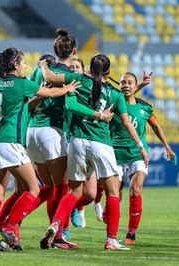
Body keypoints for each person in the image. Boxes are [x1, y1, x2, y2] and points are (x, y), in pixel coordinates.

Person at [39, 54, 149, 250]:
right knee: (113, 192)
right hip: (102, 143)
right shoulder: (114, 94)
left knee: (74, 191)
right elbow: (125, 121)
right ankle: (111, 240)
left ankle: (56, 225)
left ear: (89, 68)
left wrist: (43, 66)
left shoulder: (79, 80)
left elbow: (53, 82)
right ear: (108, 72)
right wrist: (141, 146)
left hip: (77, 141)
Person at [0, 47, 81, 251]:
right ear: (14, 65)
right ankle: (9, 228)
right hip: (10, 142)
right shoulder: (21, 84)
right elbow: (51, 91)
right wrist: (67, 89)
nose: (25, 66)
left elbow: (24, 106)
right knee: (34, 188)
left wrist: (39, 97)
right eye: (23, 63)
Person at [26, 29, 80, 247]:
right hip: (51, 131)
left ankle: (12, 223)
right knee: (61, 188)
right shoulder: (67, 74)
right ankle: (58, 235)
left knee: (48, 188)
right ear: (74, 51)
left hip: (31, 131)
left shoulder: (39, 70)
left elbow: (29, 97)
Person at [111, 71, 175, 245]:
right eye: (123, 82)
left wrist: (167, 146)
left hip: (138, 155)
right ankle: (112, 234)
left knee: (135, 188)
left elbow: (156, 127)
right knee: (114, 195)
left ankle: (131, 232)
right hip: (116, 155)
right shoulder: (114, 104)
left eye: (130, 82)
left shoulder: (145, 108)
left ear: (135, 85)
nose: (125, 85)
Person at [68, 56, 104, 228]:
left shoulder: (90, 88)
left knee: (89, 194)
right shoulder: (66, 88)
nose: (74, 69)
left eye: (77, 67)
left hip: (86, 141)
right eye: (71, 67)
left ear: (84, 71)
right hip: (67, 140)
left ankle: (73, 207)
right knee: (66, 188)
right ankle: (61, 229)